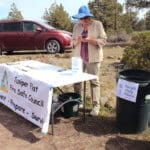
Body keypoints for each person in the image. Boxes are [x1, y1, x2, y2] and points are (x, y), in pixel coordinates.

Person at [72, 5, 107, 116]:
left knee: (94, 82)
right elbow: (72, 44)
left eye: (83, 18)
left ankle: (96, 106)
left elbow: (103, 41)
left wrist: (90, 40)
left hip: (93, 59)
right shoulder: (76, 27)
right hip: (79, 58)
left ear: (88, 17)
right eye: (80, 19)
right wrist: (77, 41)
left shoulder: (98, 24)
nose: (81, 21)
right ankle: (78, 101)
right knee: (77, 81)